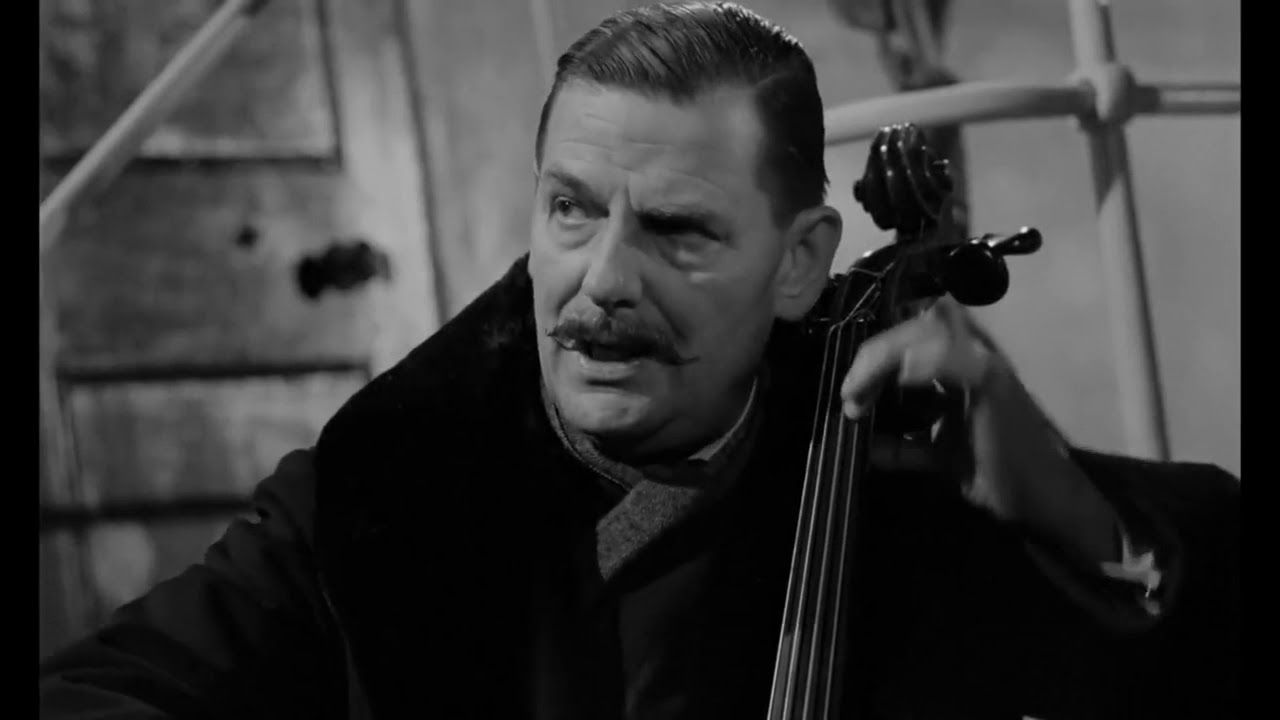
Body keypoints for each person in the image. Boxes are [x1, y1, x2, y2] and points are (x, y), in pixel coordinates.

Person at [39, 3, 1239, 719]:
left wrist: (1075, 518)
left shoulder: (895, 466)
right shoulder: (379, 489)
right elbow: (116, 687)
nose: (603, 277)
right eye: (571, 208)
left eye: (675, 229)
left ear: (799, 263)